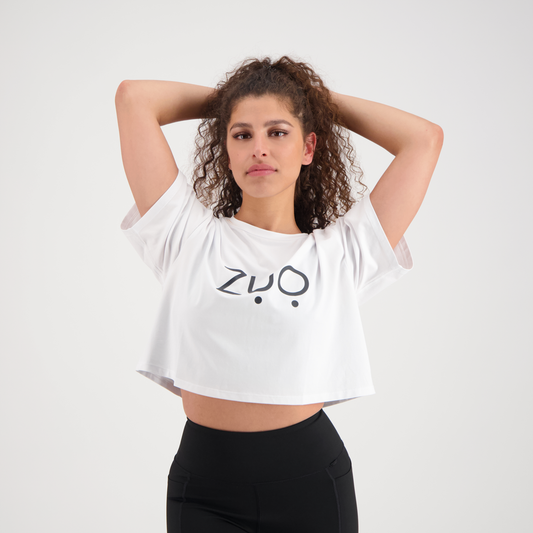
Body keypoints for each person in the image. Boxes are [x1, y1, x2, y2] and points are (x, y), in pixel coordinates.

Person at [115, 56, 443, 533]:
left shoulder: (342, 252)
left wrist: (309, 103)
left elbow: (424, 139)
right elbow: (133, 98)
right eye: (242, 134)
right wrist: (232, 100)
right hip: (205, 488)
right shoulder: (186, 235)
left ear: (309, 146)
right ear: (225, 149)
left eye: (278, 132)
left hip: (309, 483)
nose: (259, 149)